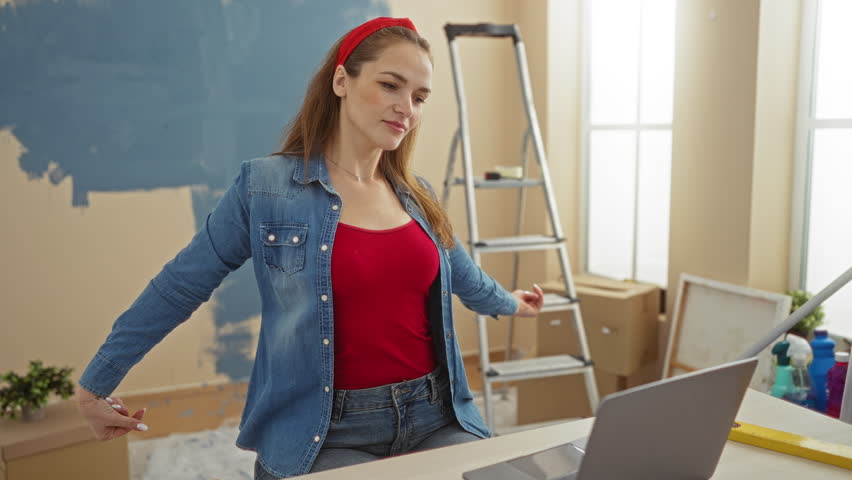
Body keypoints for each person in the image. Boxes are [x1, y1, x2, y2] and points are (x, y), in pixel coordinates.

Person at [75, 16, 545, 479]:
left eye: (419, 96)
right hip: (327, 431)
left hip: (434, 414)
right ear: (342, 80)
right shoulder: (266, 187)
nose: (407, 107)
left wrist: (511, 302)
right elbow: (181, 285)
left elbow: (459, 273)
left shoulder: (416, 193)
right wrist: (96, 385)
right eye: (390, 85)